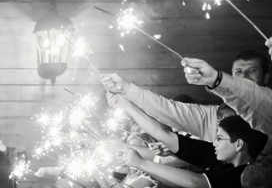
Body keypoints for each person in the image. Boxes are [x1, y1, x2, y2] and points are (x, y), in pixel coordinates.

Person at [101, 49, 272, 154]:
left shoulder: (268, 109)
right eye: (238, 72)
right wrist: (126, 89)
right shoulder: (214, 116)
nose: (244, 76)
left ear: (266, 77)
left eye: (252, 71)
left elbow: (255, 97)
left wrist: (217, 79)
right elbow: (169, 110)